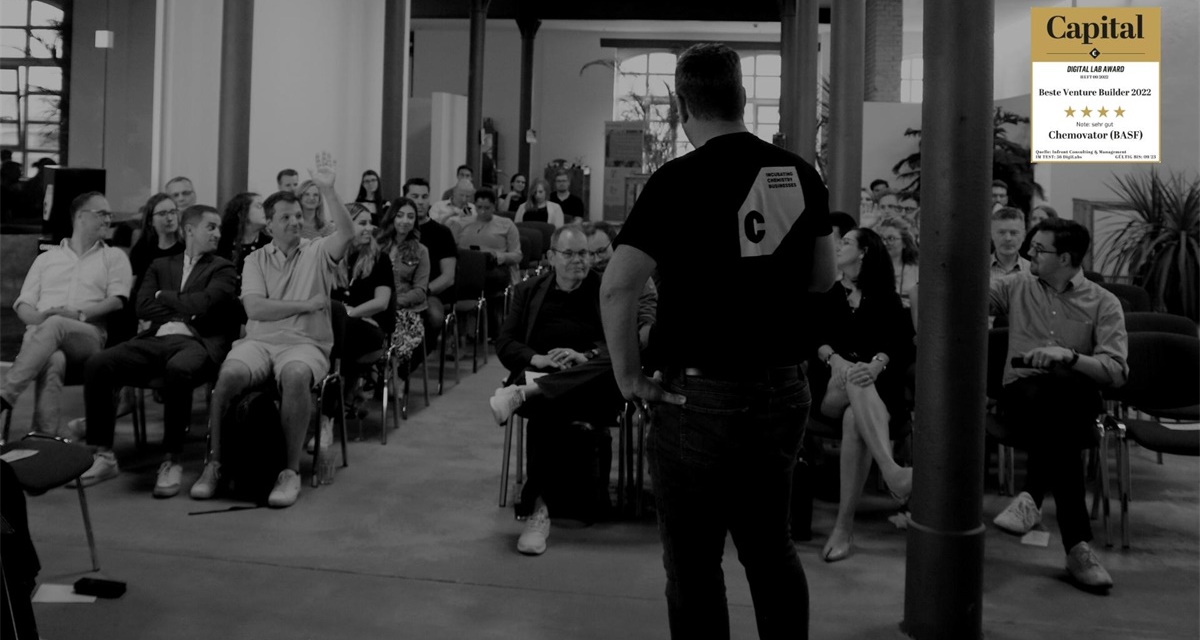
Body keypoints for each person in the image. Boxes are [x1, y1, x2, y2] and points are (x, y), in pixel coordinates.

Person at [599, 43, 836, 639]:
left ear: (682, 106)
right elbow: (822, 280)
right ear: (743, 99)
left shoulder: (675, 181)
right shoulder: (800, 174)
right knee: (771, 548)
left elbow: (618, 287)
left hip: (698, 399)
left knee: (694, 563)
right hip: (783, 388)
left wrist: (629, 378)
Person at [190, 152, 355, 508]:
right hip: (260, 342)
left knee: (295, 375)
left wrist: (328, 190)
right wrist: (305, 305)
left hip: (306, 344)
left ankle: (288, 471)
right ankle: (216, 464)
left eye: (298, 216)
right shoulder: (255, 260)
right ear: (269, 226)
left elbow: (347, 232)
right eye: (286, 217)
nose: (295, 222)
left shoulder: (317, 252)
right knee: (229, 375)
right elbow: (255, 309)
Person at [990, 218, 1127, 592]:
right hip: (1024, 395)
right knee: (1059, 407)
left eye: (1039, 249)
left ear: (1065, 258)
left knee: (1065, 390)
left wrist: (1068, 355)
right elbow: (964, 294)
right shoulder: (1016, 285)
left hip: (1071, 399)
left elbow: (1116, 371)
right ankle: (1077, 548)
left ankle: (1032, 497)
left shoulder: (1103, 302)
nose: (1029, 254)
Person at [80, 205, 237, 495]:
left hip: (198, 341)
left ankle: (171, 459)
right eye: (211, 227)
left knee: (178, 369)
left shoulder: (223, 268)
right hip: (157, 338)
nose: (218, 233)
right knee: (98, 363)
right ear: (190, 230)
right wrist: (184, 307)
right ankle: (104, 455)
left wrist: (163, 295)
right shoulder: (161, 265)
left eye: (218, 227)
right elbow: (142, 306)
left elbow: (206, 303)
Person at [491, 225, 622, 554]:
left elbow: (621, 342)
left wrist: (585, 355)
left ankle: (537, 506)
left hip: (592, 384)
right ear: (551, 256)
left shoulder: (605, 289)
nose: (580, 260)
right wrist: (538, 358)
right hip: (542, 373)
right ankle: (540, 510)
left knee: (561, 396)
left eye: (585, 253)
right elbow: (505, 342)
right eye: (570, 254)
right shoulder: (528, 291)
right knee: (549, 406)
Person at [810, 227, 914, 562]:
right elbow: (812, 337)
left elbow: (900, 344)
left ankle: (843, 528)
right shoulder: (826, 292)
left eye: (846, 242)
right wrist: (834, 359)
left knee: (855, 417)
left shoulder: (885, 297)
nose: (838, 247)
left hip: (876, 393)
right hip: (830, 389)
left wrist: (877, 364)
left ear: (864, 251)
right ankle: (891, 471)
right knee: (854, 378)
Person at [0, 192, 133, 437]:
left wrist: (78, 314)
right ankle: (44, 438)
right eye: (102, 214)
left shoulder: (114, 257)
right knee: (54, 359)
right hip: (42, 336)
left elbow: (118, 300)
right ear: (80, 217)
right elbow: (24, 304)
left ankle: (5, 395)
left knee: (57, 324)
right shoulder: (46, 259)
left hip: (88, 335)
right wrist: (41, 319)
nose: (108, 220)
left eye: (109, 215)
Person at [330, 204, 394, 419]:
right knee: (334, 332)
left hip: (370, 327)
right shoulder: (332, 256)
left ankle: (335, 403)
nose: (369, 228)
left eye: (370, 223)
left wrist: (349, 313)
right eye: (362, 223)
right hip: (338, 326)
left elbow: (381, 302)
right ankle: (343, 397)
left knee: (340, 332)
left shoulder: (380, 259)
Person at [451, 189, 521, 337]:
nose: (482, 211)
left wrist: (498, 256)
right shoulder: (463, 224)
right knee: (454, 279)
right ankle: (462, 329)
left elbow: (517, 255)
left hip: (495, 267)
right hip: (467, 267)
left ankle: (487, 327)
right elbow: (451, 248)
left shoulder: (506, 224)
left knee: (486, 280)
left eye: (487, 208)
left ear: (494, 206)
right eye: (479, 207)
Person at [401, 178, 456, 345]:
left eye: (424, 197)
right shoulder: (398, 230)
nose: (420, 202)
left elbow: (448, 277)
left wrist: (422, 292)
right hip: (399, 290)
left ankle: (420, 354)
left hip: (430, 293)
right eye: (415, 196)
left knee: (434, 316)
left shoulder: (442, 233)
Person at [375, 197, 430, 364]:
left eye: (410, 217)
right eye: (400, 215)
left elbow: (420, 291)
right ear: (392, 217)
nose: (405, 221)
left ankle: (393, 373)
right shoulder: (376, 245)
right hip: (376, 306)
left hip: (405, 310)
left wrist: (395, 303)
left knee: (398, 339)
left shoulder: (421, 250)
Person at [129, 193, 184, 286]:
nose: (169, 218)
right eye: (162, 214)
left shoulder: (186, 248)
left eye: (173, 212)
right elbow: (132, 283)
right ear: (150, 221)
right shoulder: (142, 248)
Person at [217, 192, 272, 281]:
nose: (266, 210)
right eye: (259, 206)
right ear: (242, 213)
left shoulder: (270, 245)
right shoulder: (222, 243)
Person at [876, 216, 919, 312]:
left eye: (891, 238)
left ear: (904, 243)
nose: (884, 243)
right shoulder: (870, 269)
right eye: (881, 238)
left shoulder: (916, 270)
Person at [990, 206, 1031, 282]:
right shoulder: (978, 269)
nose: (1007, 238)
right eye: (1001, 232)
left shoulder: (1033, 272)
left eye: (1013, 233)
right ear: (991, 234)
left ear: (1024, 236)